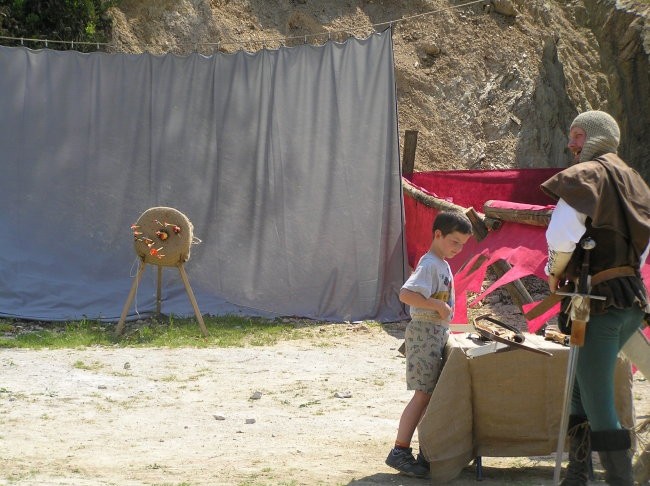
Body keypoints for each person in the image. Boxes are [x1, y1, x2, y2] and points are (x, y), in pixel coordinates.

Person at [541, 110, 650, 486]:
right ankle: (577, 473)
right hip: (631, 301)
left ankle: (621, 481)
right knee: (580, 389)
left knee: (599, 399)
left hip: (597, 307)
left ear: (597, 138)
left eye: (577, 136)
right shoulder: (634, 180)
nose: (572, 145)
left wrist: (554, 272)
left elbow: (561, 238)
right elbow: (644, 246)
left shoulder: (585, 177)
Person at [385, 210, 472, 478]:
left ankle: (426, 451)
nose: (458, 248)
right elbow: (407, 294)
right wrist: (435, 304)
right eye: (454, 241)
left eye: (462, 244)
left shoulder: (442, 263)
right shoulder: (430, 264)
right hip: (424, 333)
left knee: (430, 395)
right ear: (438, 234)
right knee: (422, 394)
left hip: (435, 334)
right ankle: (400, 451)